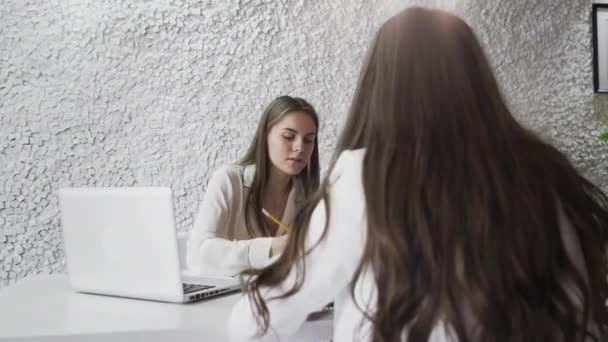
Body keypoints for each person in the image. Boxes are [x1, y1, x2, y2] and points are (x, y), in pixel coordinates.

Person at [227, 6, 608, 342]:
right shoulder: (544, 171)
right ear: (477, 84)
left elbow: (259, 318)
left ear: (380, 89)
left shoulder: (363, 180)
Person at [186, 95, 320, 277]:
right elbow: (197, 256)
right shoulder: (229, 181)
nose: (299, 147)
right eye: (289, 136)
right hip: (227, 300)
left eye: (308, 140)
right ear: (265, 137)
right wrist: (275, 246)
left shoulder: (310, 196)